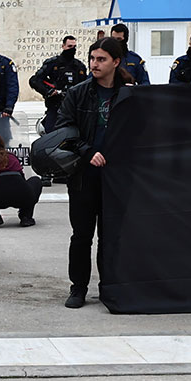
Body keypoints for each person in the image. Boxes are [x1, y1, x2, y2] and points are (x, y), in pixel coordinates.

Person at [48, 37, 137, 309]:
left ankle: (110, 286)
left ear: (116, 62)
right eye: (92, 58)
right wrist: (87, 152)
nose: (94, 64)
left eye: (101, 59)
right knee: (82, 235)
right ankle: (78, 288)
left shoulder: (130, 94)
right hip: (84, 176)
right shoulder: (78, 93)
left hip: (117, 178)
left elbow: (141, 131)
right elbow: (63, 130)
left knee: (112, 236)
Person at [0, 131, 40, 228]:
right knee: (35, 180)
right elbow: (22, 177)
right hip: (21, 195)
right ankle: (26, 216)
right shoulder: (11, 156)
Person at [29, 35, 89, 120]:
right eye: (69, 46)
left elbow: (85, 85)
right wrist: (48, 91)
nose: (72, 49)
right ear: (63, 46)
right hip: (55, 106)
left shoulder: (79, 66)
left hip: (74, 108)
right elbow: (35, 80)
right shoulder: (53, 63)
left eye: (74, 47)